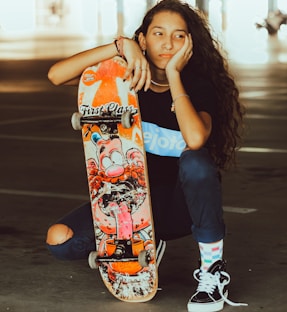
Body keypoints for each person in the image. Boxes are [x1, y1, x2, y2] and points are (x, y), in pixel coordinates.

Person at [46, 1, 247, 311]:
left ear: (190, 43)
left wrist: (173, 75)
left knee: (196, 161)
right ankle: (150, 244)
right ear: (143, 39)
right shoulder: (119, 81)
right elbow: (56, 76)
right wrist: (120, 46)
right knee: (60, 241)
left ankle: (212, 271)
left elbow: (195, 139)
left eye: (179, 35)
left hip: (180, 210)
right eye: (158, 33)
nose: (168, 43)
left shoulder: (199, 85)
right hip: (128, 208)